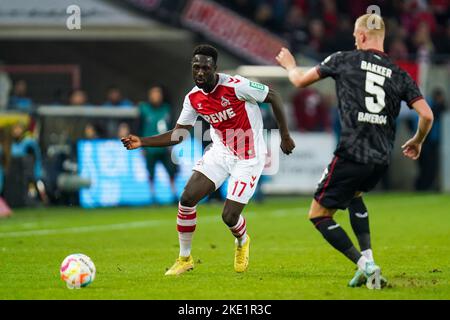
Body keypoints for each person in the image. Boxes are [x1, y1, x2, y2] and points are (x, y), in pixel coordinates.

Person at [276, 13, 433, 289]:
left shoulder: (344, 59)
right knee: (355, 196)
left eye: (355, 37)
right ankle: (368, 262)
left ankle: (366, 266)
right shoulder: (400, 73)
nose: (354, 41)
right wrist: (418, 140)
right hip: (381, 158)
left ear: (361, 36)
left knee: (319, 215)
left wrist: (290, 65)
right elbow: (427, 115)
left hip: (352, 153)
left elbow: (299, 80)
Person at [122, 44, 295, 275]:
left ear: (215, 68)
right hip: (221, 152)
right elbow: (178, 134)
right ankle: (185, 258)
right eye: (196, 68)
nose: (200, 73)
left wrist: (284, 136)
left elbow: (273, 96)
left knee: (229, 216)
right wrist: (142, 141)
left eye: (205, 68)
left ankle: (242, 241)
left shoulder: (237, 86)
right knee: (186, 198)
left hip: (249, 157)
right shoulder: (193, 98)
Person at [139, 85, 178, 202]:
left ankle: (174, 193)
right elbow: (139, 127)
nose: (156, 96)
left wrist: (172, 142)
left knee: (171, 170)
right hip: (150, 146)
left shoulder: (167, 108)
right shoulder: (144, 109)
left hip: (165, 146)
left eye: (158, 94)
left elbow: (172, 126)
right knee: (151, 172)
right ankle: (152, 195)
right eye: (154, 94)